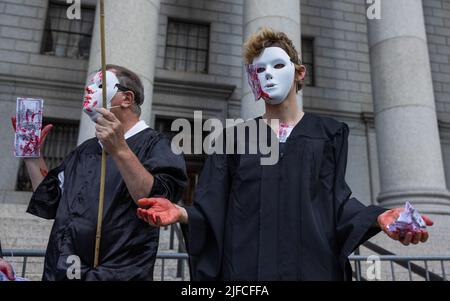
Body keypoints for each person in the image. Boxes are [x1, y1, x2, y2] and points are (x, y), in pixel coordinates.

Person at [136, 28, 434, 281]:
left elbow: (335, 204)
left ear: (299, 72)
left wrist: (379, 216)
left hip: (311, 271)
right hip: (247, 275)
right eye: (259, 70)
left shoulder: (327, 135)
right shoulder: (233, 139)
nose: (267, 75)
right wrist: (182, 213)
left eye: (277, 66)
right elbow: (213, 207)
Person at [14, 64, 187, 280]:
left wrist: (120, 149)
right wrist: (32, 155)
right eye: (90, 85)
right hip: (63, 269)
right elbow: (51, 200)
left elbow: (155, 201)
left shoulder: (159, 145)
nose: (89, 90)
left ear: (126, 98)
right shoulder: (85, 150)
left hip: (118, 273)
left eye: (100, 85)